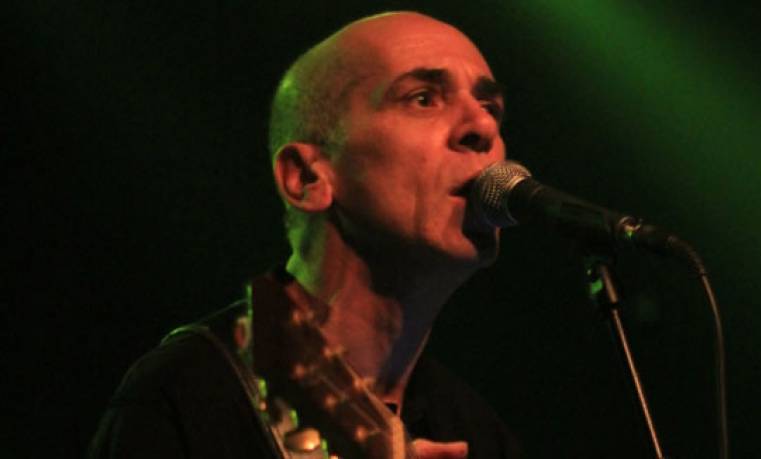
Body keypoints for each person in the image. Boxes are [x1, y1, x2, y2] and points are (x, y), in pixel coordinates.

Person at [90, 11, 519, 459]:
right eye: (423, 99)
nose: (483, 127)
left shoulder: (478, 434)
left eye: (490, 107)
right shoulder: (190, 394)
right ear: (306, 178)